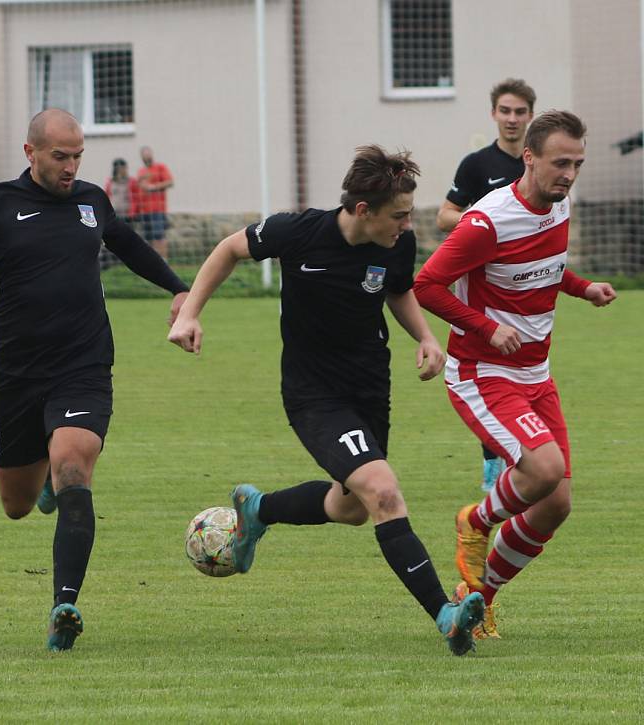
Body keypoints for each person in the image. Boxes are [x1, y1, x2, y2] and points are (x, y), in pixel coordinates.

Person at [169, 144, 486, 656]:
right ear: (363, 210)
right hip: (314, 394)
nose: (407, 226)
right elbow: (228, 249)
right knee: (383, 492)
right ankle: (446, 614)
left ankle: (259, 508)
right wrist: (190, 313)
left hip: (369, 388)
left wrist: (425, 338)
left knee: (351, 507)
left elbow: (398, 290)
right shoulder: (300, 232)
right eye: (399, 216)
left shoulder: (395, 243)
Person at [0, 108, 189, 652]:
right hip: (17, 374)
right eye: (60, 156)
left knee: (73, 466)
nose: (71, 167)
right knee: (17, 505)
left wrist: (179, 289)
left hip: (83, 364)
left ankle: (64, 605)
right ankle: (41, 482)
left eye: (77, 156)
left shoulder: (92, 200)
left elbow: (130, 245)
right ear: (31, 153)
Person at [415, 111, 617, 640]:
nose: (569, 174)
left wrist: (582, 287)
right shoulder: (486, 222)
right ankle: (475, 521)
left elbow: (545, 268)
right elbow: (427, 286)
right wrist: (484, 327)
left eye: (577, 163)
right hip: (484, 372)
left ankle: (475, 598)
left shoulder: (558, 203)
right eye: (559, 163)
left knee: (555, 505)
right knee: (544, 470)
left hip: (536, 372)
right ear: (529, 157)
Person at [436, 78, 537, 493]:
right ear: (493, 114)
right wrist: (484, 226)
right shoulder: (476, 165)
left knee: (527, 370)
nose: (512, 119)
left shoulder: (539, 164)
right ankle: (493, 465)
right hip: (482, 288)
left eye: (520, 112)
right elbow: (445, 215)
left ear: (531, 115)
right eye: (505, 111)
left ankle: (525, 454)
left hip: (528, 286)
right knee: (489, 369)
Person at [137, 146, 173, 260]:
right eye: (144, 155)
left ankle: (164, 260)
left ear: (152, 155)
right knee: (148, 237)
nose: (147, 157)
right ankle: (153, 261)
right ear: (142, 157)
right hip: (144, 210)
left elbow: (170, 182)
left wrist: (154, 187)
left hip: (158, 208)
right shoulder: (141, 171)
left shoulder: (160, 168)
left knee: (159, 235)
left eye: (148, 154)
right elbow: (140, 186)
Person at [103, 158, 139, 225]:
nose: (123, 170)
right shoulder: (110, 182)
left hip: (128, 215)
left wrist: (133, 212)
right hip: (114, 214)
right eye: (121, 168)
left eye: (124, 168)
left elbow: (136, 198)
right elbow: (107, 196)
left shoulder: (131, 181)